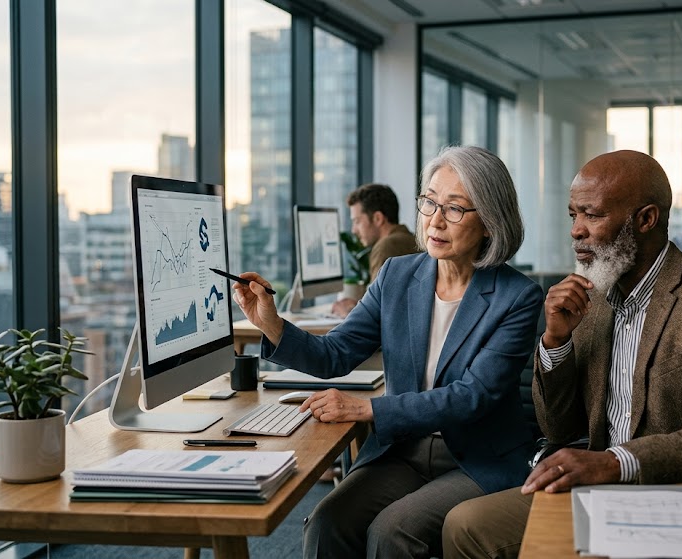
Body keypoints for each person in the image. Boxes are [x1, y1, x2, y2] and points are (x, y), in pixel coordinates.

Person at [442, 150, 682, 558]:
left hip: (676, 493)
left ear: (646, 219)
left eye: (591, 215)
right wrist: (556, 342)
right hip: (599, 486)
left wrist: (616, 462)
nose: (576, 231)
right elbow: (559, 429)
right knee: (465, 525)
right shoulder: (592, 297)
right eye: (572, 216)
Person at [232, 145, 543, 558]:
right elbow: (335, 354)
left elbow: (473, 396)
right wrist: (269, 322)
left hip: (474, 458)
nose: (434, 220)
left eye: (453, 209)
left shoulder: (518, 297)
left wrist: (369, 410)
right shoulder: (398, 275)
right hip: (403, 450)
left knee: (392, 532)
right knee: (327, 523)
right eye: (429, 201)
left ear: (489, 222)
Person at [332, 183, 420, 317]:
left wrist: (346, 313)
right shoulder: (409, 239)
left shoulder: (387, 246)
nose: (353, 230)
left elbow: (374, 315)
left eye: (357, 221)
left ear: (378, 218)